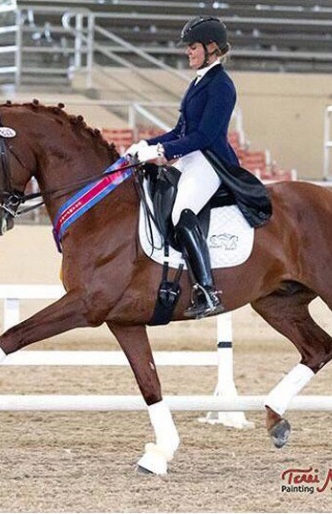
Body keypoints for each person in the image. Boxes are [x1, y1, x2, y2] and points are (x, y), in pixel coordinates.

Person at [126, 16, 240, 320]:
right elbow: (181, 129)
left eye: (193, 47)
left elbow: (204, 135)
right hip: (192, 157)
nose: (188, 52)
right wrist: (145, 144)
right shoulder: (199, 81)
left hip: (211, 161)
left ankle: (206, 289)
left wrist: (162, 151)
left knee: (182, 212)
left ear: (211, 47)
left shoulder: (222, 86)